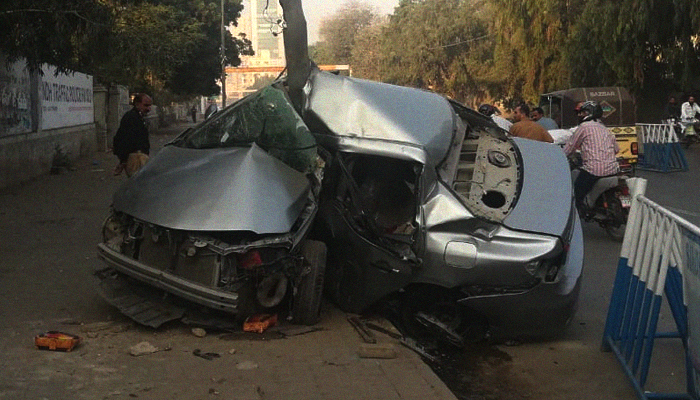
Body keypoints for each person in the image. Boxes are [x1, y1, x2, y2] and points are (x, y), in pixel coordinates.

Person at [563, 101, 619, 213]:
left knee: (575, 192)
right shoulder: (604, 128)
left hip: (594, 170)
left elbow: (570, 146)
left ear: (590, 113)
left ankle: (578, 213)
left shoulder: (584, 127)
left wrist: (561, 155)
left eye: (582, 112)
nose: (580, 115)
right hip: (612, 169)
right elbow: (616, 149)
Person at [112, 93, 152, 176]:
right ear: (137, 104)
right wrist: (123, 160)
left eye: (149, 106)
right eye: (146, 105)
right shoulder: (131, 118)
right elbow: (125, 139)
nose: (149, 108)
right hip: (136, 157)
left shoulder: (139, 117)